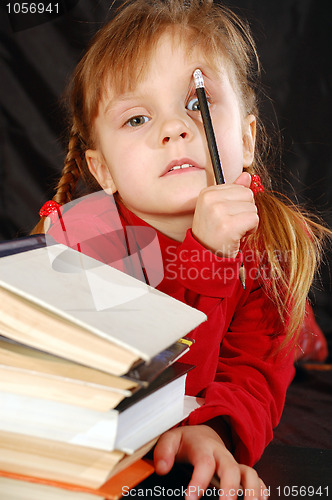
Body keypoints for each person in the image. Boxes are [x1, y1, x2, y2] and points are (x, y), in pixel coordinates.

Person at [32, 1, 329, 498]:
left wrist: (216, 430)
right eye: (137, 119)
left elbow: (251, 375)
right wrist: (205, 258)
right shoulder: (84, 242)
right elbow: (138, 387)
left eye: (196, 102)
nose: (173, 129)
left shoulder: (272, 247)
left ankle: (312, 338)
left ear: (249, 137)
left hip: (273, 322)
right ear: (102, 170)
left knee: (298, 341)